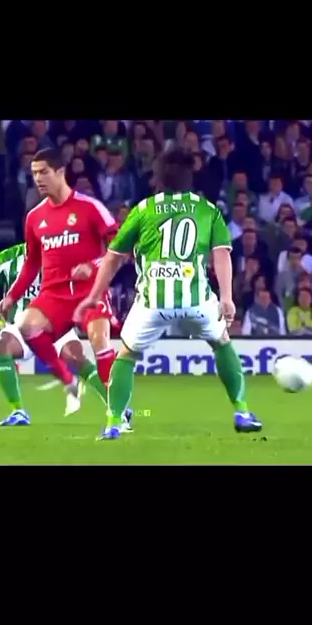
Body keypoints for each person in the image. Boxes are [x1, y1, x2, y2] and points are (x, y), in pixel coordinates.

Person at [74, 146, 262, 440]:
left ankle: (113, 422)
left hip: (153, 301)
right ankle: (241, 411)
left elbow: (113, 257)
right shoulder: (207, 209)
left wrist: (95, 295)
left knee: (126, 355)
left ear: (159, 178)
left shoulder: (144, 209)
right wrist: (226, 297)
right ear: (190, 178)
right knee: (221, 342)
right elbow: (222, 254)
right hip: (196, 298)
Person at [0, 147, 132, 430]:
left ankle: (117, 411)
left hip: (89, 291)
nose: (38, 179)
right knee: (27, 326)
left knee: (99, 340)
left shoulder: (90, 207)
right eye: (34, 173)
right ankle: (67, 379)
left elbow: (120, 248)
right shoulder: (35, 217)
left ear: (60, 171)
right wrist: (12, 295)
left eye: (44, 172)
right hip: (54, 294)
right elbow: (32, 263)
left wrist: (93, 265)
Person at [0, 243, 121, 427]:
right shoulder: (7, 259)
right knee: (2, 345)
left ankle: (116, 407)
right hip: (21, 325)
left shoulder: (63, 256)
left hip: (56, 322)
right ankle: (18, 411)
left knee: (77, 357)